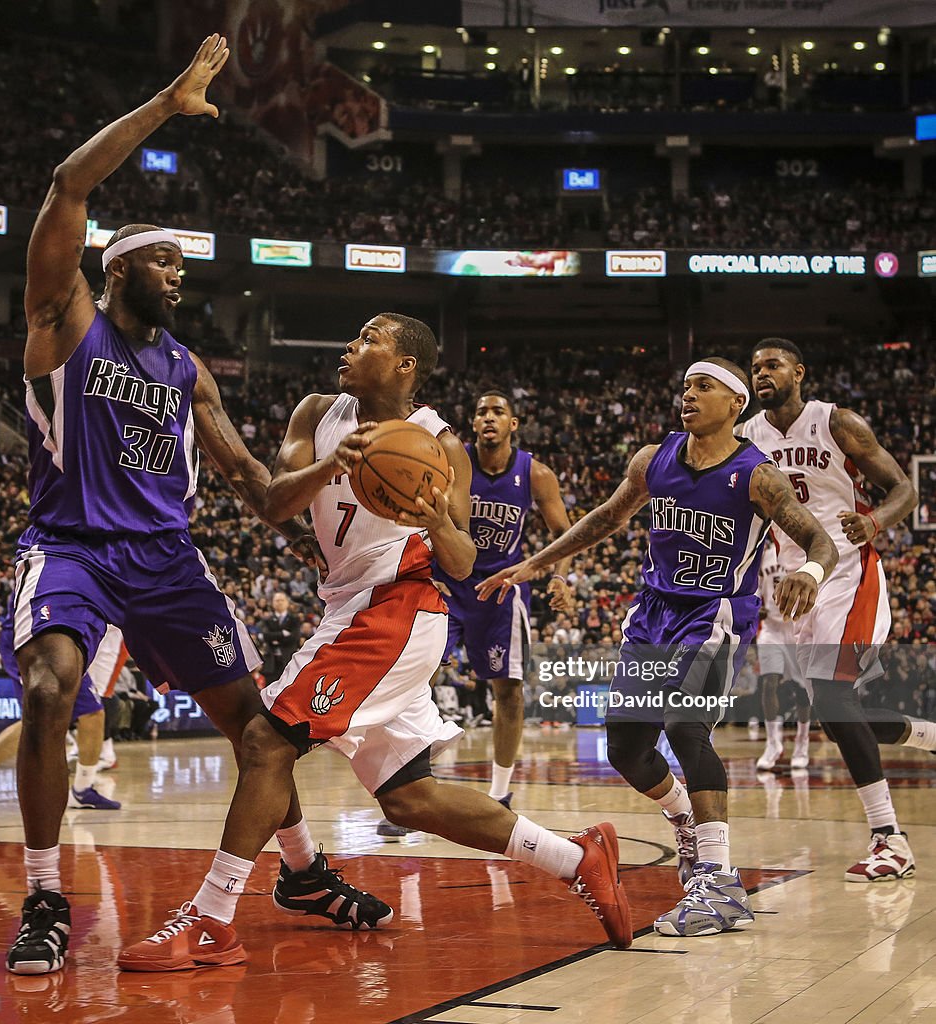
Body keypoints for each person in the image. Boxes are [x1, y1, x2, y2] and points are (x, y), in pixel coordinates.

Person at [6, 35, 386, 976]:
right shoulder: (64, 320)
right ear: (119, 269)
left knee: (258, 728)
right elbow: (65, 188)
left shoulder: (188, 373)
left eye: (184, 266)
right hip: (72, 548)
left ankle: (300, 869)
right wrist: (168, 105)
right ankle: (47, 893)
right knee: (51, 690)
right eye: (166, 263)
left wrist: (346, 460)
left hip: (169, 562)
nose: (180, 277)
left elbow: (262, 496)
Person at [118, 313, 633, 971]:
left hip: (397, 610)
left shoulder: (439, 442)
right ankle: (577, 857)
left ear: (405, 365)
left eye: (368, 340)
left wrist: (432, 521)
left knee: (265, 742)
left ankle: (212, 920)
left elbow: (460, 556)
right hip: (348, 609)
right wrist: (337, 462)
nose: (349, 346)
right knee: (407, 797)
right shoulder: (315, 414)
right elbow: (274, 503)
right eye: (352, 334)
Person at [480, 357, 839, 936]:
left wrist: (813, 574)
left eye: (704, 387)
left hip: (715, 615)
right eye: (686, 386)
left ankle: (720, 885)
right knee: (624, 746)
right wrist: (535, 564)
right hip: (652, 614)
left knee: (685, 726)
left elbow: (819, 538)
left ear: (735, 405)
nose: (688, 395)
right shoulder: (654, 459)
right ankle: (685, 823)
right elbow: (606, 518)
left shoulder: (757, 474)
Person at [744, 338, 936, 881]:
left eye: (773, 364)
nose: (762, 373)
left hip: (849, 573)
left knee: (831, 697)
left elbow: (904, 489)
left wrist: (874, 521)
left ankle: (890, 840)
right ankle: (928, 735)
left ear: (798, 372)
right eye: (755, 367)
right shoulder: (747, 439)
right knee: (837, 717)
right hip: (795, 585)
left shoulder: (836, 423)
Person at [377, 389, 573, 837]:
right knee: (411, 685)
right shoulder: (449, 459)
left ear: (513, 424)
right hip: (447, 584)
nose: (488, 418)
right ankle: (412, 796)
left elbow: (564, 532)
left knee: (509, 690)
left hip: (501, 592)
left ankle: (500, 792)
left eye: (497, 412)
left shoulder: (535, 474)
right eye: (481, 411)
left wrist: (559, 578)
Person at [0, 620, 125, 816]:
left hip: (57, 639)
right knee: (40, 719)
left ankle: (83, 789)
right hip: (32, 636)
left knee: (92, 712)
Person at [754, 532, 812, 771]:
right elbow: (756, 591)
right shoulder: (763, 557)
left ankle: (802, 742)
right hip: (771, 630)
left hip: (798, 627)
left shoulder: (805, 556)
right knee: (769, 682)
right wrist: (757, 607)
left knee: (802, 691)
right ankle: (772, 742)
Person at [261, 591, 302, 684]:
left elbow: (294, 638)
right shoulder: (267, 620)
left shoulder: (294, 619)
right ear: (272, 603)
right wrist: (282, 634)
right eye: (277, 600)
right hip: (271, 662)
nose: (279, 602)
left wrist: (275, 638)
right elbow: (266, 636)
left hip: (288, 659)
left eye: (282, 600)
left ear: (287, 602)